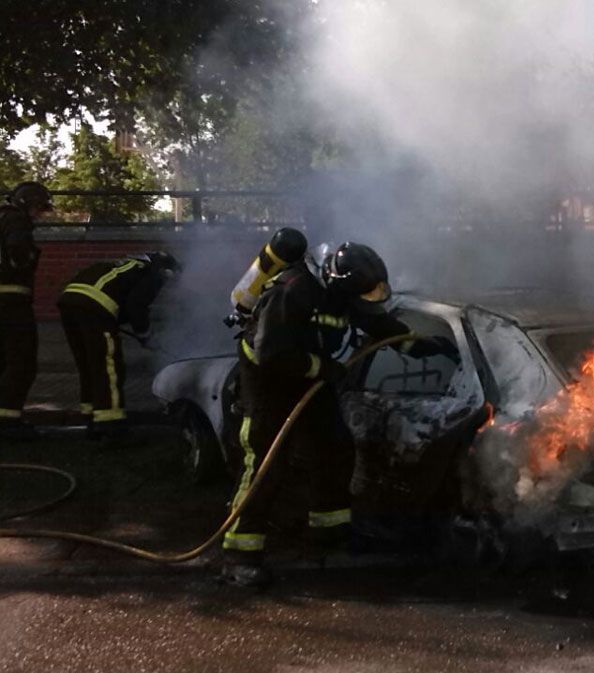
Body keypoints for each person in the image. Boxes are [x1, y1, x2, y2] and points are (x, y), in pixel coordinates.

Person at [221, 242, 456, 588]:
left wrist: (424, 346)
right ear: (341, 283)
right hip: (268, 378)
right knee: (266, 463)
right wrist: (323, 367)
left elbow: (380, 326)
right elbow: (271, 353)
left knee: (334, 448)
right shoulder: (293, 292)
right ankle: (240, 556)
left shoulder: (343, 294)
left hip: (311, 376)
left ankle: (328, 531)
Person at [57, 251, 181, 445]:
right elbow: (136, 306)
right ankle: (111, 426)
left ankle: (92, 420)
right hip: (94, 306)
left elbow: (122, 302)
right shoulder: (154, 273)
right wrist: (146, 336)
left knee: (89, 366)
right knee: (109, 367)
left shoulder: (130, 265)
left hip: (70, 302)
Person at [0, 182, 53, 440]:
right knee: (22, 362)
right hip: (11, 302)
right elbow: (19, 251)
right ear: (25, 203)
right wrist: (28, 258)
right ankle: (8, 422)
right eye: (37, 209)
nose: (38, 215)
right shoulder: (16, 220)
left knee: (3, 362)